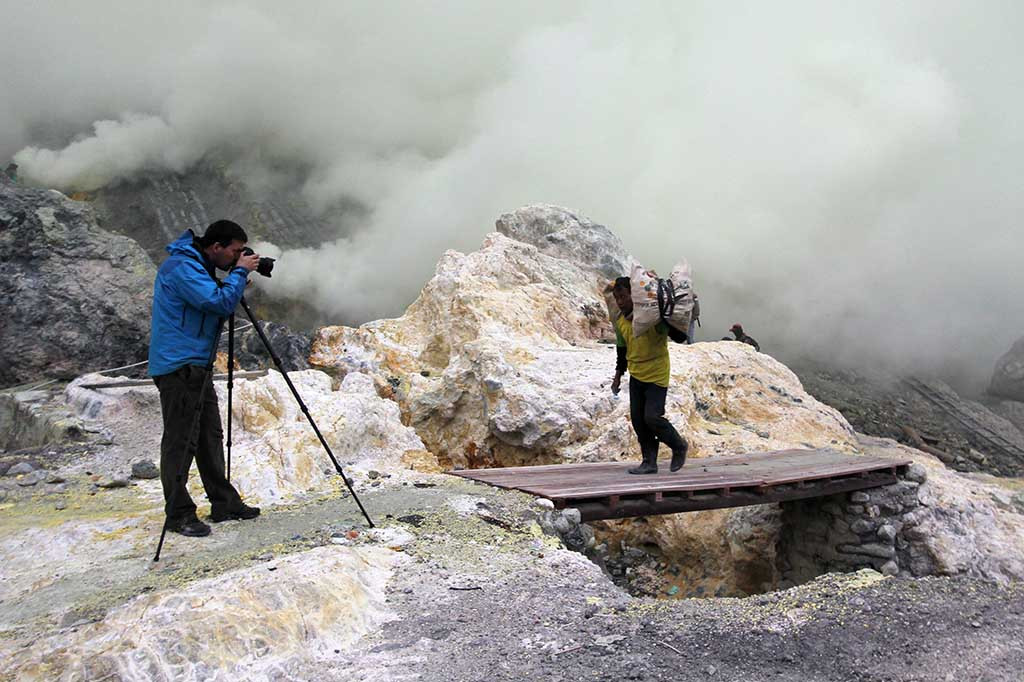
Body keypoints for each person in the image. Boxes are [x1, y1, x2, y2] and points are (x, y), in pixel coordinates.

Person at [148, 220, 262, 537]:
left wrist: (235, 279)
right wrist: (238, 275)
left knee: (208, 436)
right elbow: (217, 303)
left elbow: (215, 300)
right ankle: (179, 514)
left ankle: (224, 503)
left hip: (195, 365)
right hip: (178, 366)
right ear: (216, 248)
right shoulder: (182, 267)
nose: (239, 257)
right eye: (235, 252)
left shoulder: (198, 265)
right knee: (180, 441)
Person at [608, 277, 689, 475]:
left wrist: (665, 318)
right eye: (617, 298)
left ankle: (678, 446)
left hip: (657, 374)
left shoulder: (651, 317)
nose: (620, 301)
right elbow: (622, 349)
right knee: (638, 420)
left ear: (634, 295)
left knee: (652, 417)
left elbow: (680, 337)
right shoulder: (620, 321)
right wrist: (618, 375)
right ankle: (649, 462)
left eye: (623, 296)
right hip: (636, 374)